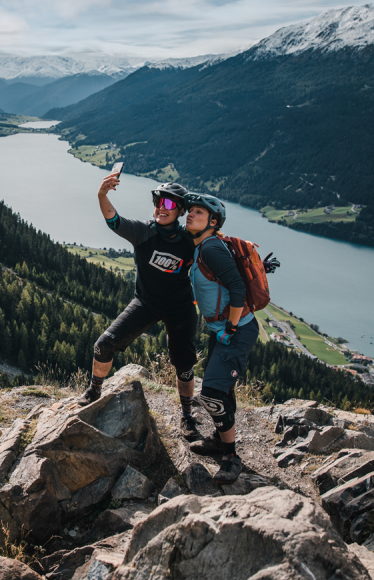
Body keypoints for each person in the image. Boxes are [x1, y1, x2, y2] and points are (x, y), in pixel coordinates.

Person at [80, 173, 202, 441]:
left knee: (183, 363)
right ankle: (94, 390)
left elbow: (218, 247)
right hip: (146, 302)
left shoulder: (190, 240)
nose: (161, 207)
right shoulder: (144, 232)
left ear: (180, 211)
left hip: (180, 308)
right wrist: (102, 195)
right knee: (103, 345)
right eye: (158, 201)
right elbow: (114, 220)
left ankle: (187, 416)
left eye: (169, 204)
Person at [182, 192, 260, 484]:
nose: (190, 214)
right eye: (190, 211)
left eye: (198, 213)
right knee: (222, 388)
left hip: (236, 331)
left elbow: (238, 289)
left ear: (213, 223)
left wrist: (231, 328)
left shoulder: (211, 248)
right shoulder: (202, 246)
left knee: (212, 393)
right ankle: (218, 439)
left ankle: (231, 457)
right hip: (223, 330)